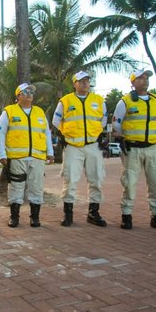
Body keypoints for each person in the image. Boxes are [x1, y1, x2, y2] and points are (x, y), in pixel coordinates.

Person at [113, 69, 156, 231]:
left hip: (153, 148)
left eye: (146, 78)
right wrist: (127, 136)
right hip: (132, 149)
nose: (144, 80)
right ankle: (126, 215)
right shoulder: (125, 102)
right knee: (129, 183)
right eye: (140, 78)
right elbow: (117, 124)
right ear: (132, 82)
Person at [52, 71, 108, 228]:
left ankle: (93, 213)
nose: (85, 83)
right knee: (70, 180)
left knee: (96, 179)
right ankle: (68, 214)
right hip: (72, 146)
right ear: (74, 84)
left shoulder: (98, 100)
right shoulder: (65, 101)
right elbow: (56, 121)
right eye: (81, 80)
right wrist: (66, 135)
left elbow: (103, 120)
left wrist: (94, 134)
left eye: (87, 80)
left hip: (92, 146)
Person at [0, 83, 54, 228]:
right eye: (25, 91)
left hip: (37, 158)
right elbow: (1, 134)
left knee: (36, 187)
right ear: (18, 96)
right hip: (17, 158)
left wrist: (50, 152)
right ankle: (14, 217)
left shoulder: (40, 112)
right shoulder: (9, 112)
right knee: (16, 187)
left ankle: (35, 217)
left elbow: (46, 133)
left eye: (31, 92)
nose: (29, 94)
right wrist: (1, 154)